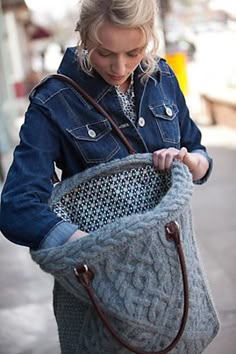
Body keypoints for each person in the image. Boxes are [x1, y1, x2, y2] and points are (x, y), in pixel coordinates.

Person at [0, 0, 213, 351]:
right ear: (83, 37)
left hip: (178, 284)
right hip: (104, 290)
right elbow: (16, 207)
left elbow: (199, 153)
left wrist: (189, 162)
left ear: (149, 39)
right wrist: (89, 245)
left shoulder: (161, 76)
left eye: (134, 51)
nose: (120, 66)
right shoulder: (53, 101)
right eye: (103, 52)